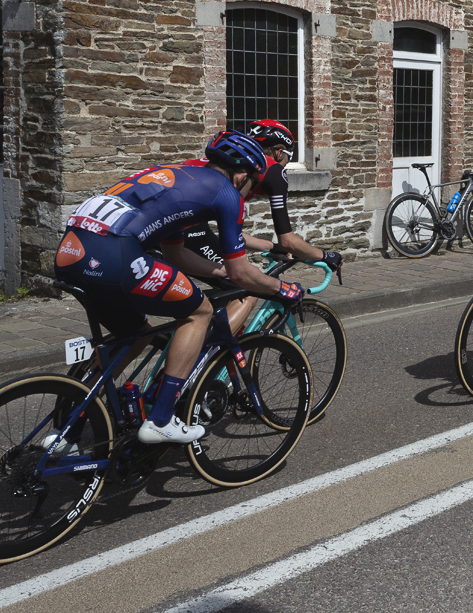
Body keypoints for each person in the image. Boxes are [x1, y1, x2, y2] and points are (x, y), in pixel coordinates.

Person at [53, 131, 305, 444]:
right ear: (242, 176)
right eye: (253, 184)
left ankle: (64, 432)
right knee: (199, 312)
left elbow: (176, 256)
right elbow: (242, 274)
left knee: (131, 337)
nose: (251, 191)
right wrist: (281, 288)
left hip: (71, 251)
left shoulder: (178, 176)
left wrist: (222, 271)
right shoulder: (228, 194)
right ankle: (160, 419)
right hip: (114, 253)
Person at [180, 120, 342, 330]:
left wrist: (271, 247)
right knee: (249, 288)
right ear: (278, 152)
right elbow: (288, 239)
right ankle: (210, 354)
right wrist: (325, 256)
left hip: (167, 223)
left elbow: (231, 234)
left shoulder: (231, 163)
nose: (286, 162)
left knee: (232, 283)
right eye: (288, 156)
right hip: (188, 231)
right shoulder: (272, 170)